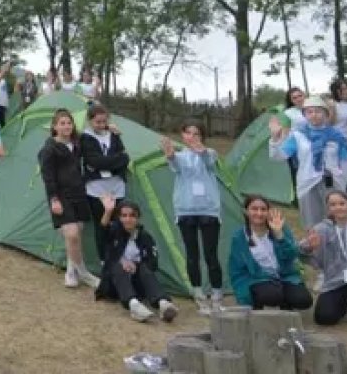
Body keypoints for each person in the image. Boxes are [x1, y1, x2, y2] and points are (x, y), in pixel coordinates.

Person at [162, 123, 224, 314]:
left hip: (209, 210)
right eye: (188, 133)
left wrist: (201, 151)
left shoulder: (210, 153)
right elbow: (174, 166)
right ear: (182, 135)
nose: (192, 136)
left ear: (202, 136)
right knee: (192, 254)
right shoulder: (180, 156)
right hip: (186, 210)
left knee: (211, 254)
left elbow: (210, 164)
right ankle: (199, 295)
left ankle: (216, 296)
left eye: (196, 133)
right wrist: (170, 155)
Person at [269, 96, 347, 230]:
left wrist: (343, 187)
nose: (314, 115)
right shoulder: (298, 136)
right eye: (310, 111)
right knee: (312, 225)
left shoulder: (337, 136)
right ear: (304, 115)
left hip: (334, 185)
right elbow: (278, 157)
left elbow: (345, 164)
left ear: (326, 114)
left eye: (318, 111)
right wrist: (275, 138)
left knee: (337, 223)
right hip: (307, 184)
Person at [39, 109, 101, 289]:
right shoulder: (49, 149)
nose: (66, 126)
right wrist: (54, 199)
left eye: (69, 123)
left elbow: (94, 133)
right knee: (72, 234)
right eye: (62, 123)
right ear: (54, 127)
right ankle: (84, 273)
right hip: (61, 196)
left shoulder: (76, 143)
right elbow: (48, 177)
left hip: (79, 194)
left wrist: (109, 129)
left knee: (76, 234)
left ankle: (71, 272)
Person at [95, 194, 178, 322]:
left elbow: (153, 263)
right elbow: (102, 232)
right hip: (114, 285)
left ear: (138, 218)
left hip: (137, 285)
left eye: (132, 215)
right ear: (119, 218)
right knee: (117, 266)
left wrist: (136, 265)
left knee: (144, 268)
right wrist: (108, 211)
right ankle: (133, 305)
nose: (128, 219)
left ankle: (163, 303)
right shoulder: (114, 232)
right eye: (124, 216)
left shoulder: (145, 237)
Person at [228, 194, 313, 311]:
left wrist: (279, 235)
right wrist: (242, 290)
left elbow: (291, 255)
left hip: (284, 277)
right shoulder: (239, 237)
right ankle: (260, 302)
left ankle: (284, 302)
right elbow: (236, 269)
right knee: (272, 296)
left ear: (268, 212)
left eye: (263, 209)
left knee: (303, 300)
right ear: (246, 212)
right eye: (254, 209)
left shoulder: (280, 228)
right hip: (256, 279)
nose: (259, 213)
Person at [80, 104, 130, 266]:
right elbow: (95, 161)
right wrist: (112, 163)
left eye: (104, 121)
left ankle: (118, 257)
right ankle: (104, 261)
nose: (101, 125)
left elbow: (124, 158)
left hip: (117, 187)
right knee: (101, 225)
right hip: (96, 189)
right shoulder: (85, 138)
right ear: (90, 121)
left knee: (118, 224)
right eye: (98, 122)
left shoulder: (114, 134)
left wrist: (107, 163)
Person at [298, 190, 347, 325]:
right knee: (324, 317)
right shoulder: (321, 229)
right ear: (328, 208)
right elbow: (299, 251)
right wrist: (310, 247)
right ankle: (343, 305)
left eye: (342, 203)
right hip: (335, 281)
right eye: (333, 205)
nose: (338, 207)